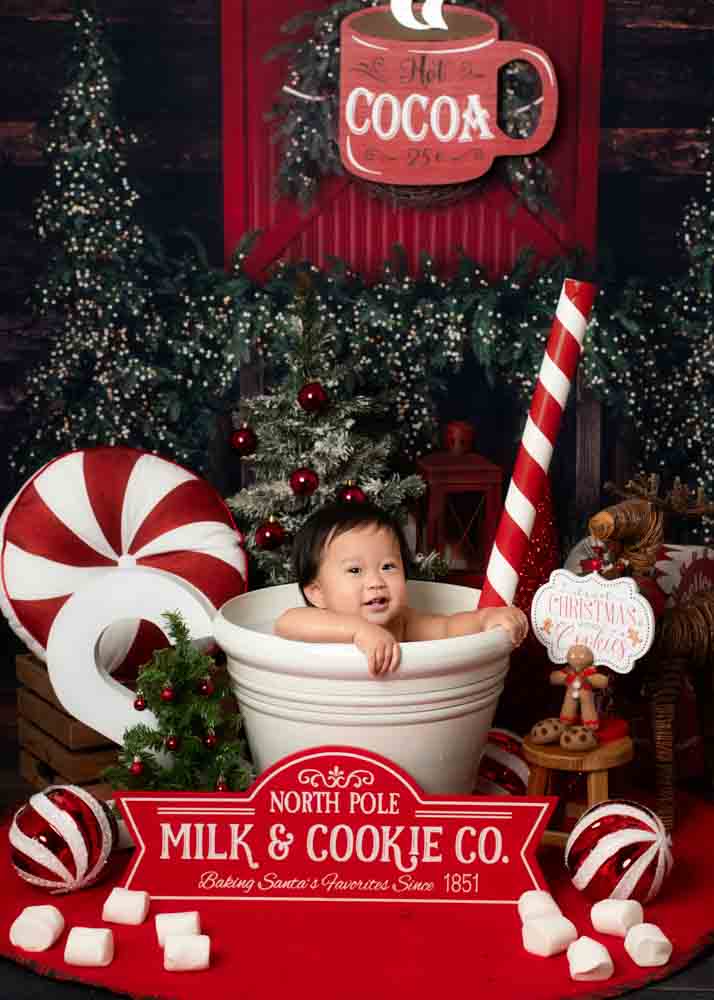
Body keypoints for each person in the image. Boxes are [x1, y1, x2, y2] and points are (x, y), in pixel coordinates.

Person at [275, 501, 529, 676]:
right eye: (355, 570)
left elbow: (447, 628)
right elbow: (286, 623)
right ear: (316, 593)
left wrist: (485, 618)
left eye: (387, 566)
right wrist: (359, 632)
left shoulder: (403, 622)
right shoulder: (323, 620)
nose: (376, 581)